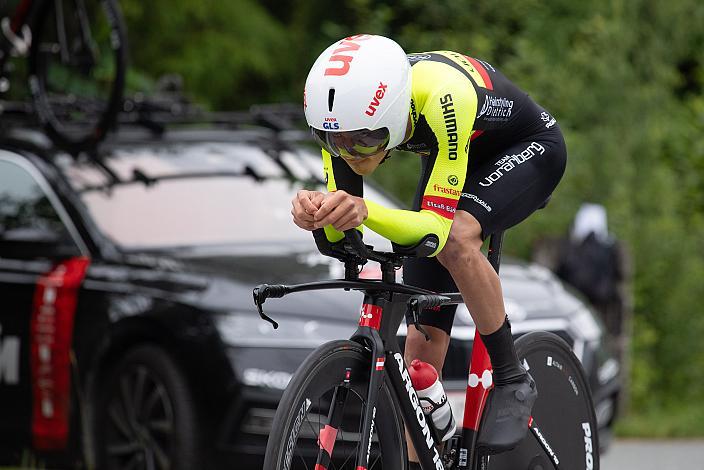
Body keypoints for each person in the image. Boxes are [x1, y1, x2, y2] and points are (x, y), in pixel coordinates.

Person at [292, 34, 567, 465]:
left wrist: (363, 210)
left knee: (456, 239)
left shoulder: (443, 95)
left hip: (526, 148)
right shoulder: (343, 121)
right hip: (450, 152)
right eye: (335, 142)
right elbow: (341, 243)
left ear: (393, 113)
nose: (349, 154)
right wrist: (318, 215)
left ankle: (513, 376)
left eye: (363, 141)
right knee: (422, 341)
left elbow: (435, 233)